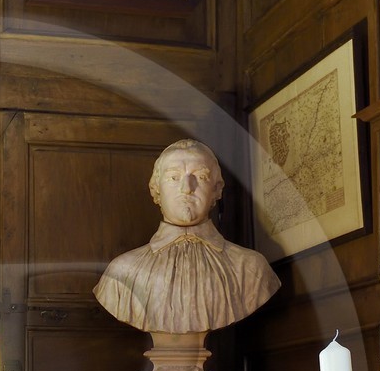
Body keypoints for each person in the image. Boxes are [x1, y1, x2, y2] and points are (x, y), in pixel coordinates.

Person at [94, 138, 279, 334]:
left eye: (200, 176)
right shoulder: (121, 272)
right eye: (174, 177)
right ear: (155, 189)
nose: (187, 188)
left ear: (217, 189)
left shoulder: (252, 269)